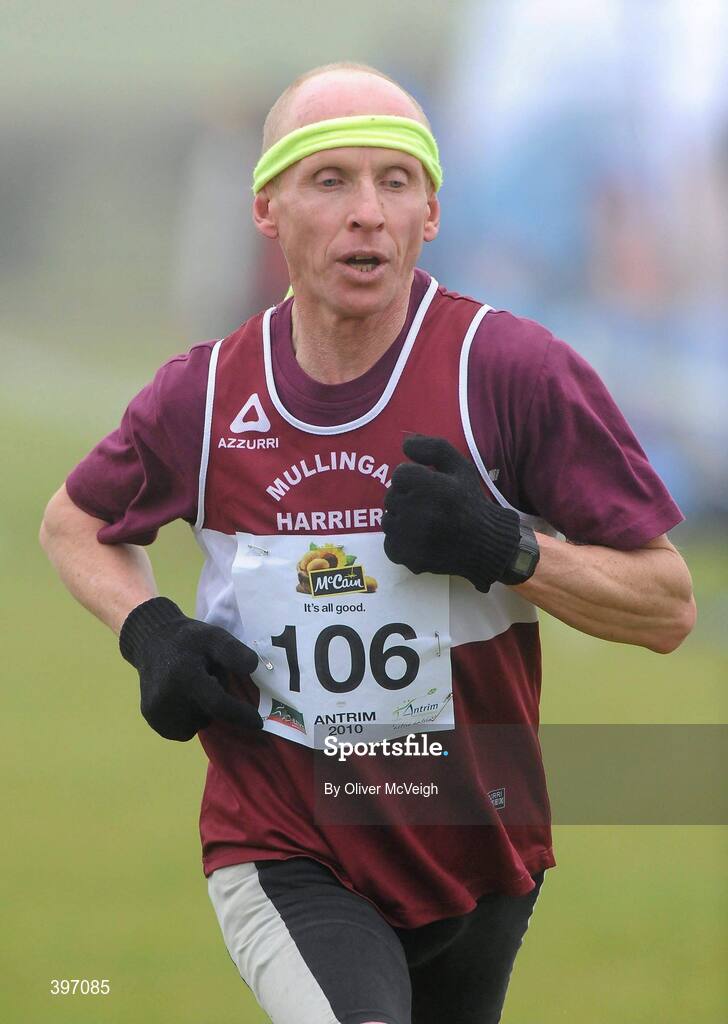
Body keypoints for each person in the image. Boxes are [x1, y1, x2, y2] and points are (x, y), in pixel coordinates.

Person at [39, 62, 696, 1024]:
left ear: (432, 213)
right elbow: (75, 523)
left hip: (480, 847)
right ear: (268, 209)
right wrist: (150, 630)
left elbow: (668, 605)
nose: (367, 213)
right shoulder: (209, 394)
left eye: (396, 181)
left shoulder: (507, 372)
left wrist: (508, 547)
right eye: (331, 179)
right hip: (286, 843)